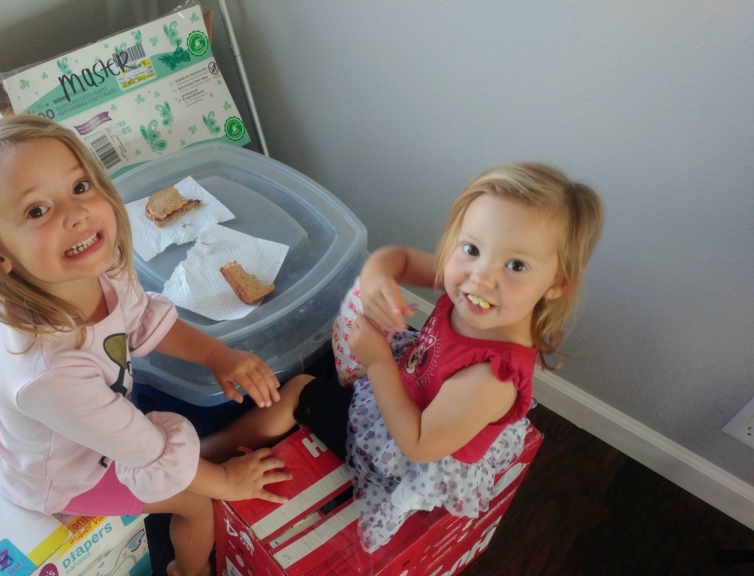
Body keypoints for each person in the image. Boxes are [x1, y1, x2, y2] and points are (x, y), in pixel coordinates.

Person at [0, 115, 295, 576]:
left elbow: (142, 317)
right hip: (62, 477)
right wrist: (225, 482)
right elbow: (147, 450)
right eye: (36, 211)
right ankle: (189, 571)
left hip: (94, 426)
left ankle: (205, 458)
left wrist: (215, 354)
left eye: (80, 186)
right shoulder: (49, 375)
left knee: (186, 464)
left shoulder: (94, 269)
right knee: (197, 503)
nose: (76, 213)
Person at [214, 162, 604, 553]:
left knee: (299, 389)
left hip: (408, 453)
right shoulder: (477, 287)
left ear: (557, 283)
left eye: (516, 265)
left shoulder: (491, 378)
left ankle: (209, 455)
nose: (480, 276)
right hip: (416, 389)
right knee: (353, 320)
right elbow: (395, 258)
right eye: (471, 248)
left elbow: (417, 443)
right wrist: (376, 278)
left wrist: (379, 361)